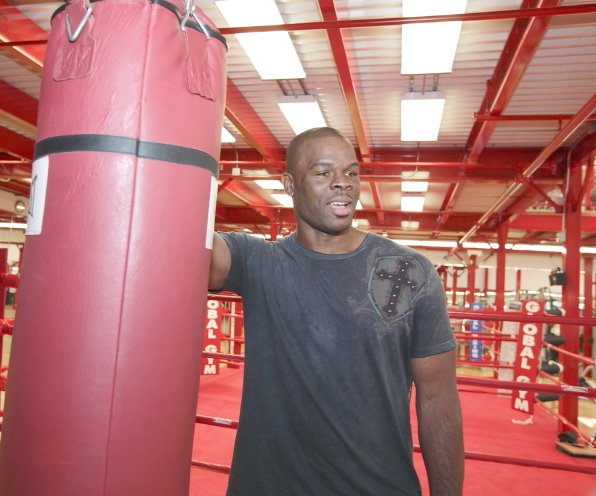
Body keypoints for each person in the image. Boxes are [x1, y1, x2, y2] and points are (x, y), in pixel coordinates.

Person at [209, 127, 464, 495]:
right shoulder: (257, 261)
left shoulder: (407, 270)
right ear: (290, 184)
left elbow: (438, 397)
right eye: (323, 172)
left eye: (351, 172)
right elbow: (186, 243)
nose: (342, 183)